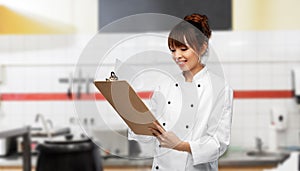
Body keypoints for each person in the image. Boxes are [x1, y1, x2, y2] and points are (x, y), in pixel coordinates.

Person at [128, 13, 233, 171]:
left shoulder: (219, 89)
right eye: (173, 50)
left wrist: (181, 146)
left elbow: (218, 143)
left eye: (183, 49)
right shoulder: (164, 86)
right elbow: (149, 135)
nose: (177, 56)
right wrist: (131, 115)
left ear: (203, 47)